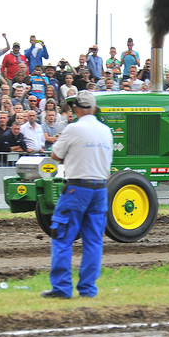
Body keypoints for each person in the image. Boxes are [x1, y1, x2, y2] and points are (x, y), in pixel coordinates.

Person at [41, 90, 113, 299]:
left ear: (76, 109)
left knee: (62, 237)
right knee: (93, 240)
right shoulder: (106, 131)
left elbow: (55, 155)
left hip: (76, 189)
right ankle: (88, 289)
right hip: (100, 189)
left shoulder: (73, 129)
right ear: (95, 109)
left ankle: (62, 288)